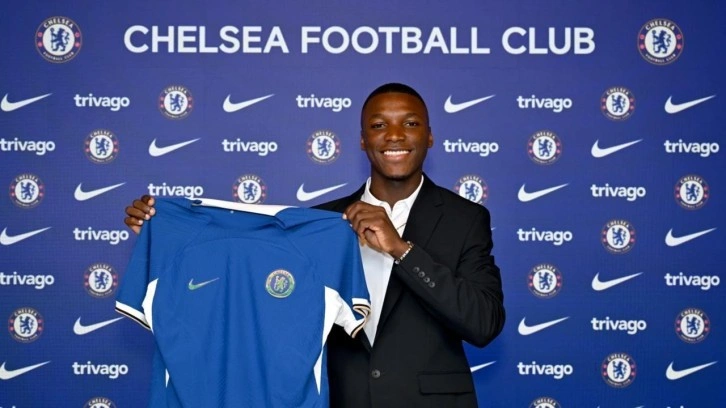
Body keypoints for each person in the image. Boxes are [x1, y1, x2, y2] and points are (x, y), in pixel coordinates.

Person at [124, 83, 505, 407]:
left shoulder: (466, 218)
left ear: (430, 136)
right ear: (362, 140)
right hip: (339, 399)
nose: (394, 135)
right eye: (378, 125)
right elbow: (250, 283)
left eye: (410, 123)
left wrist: (400, 249)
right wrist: (167, 240)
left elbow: (483, 323)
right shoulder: (320, 223)